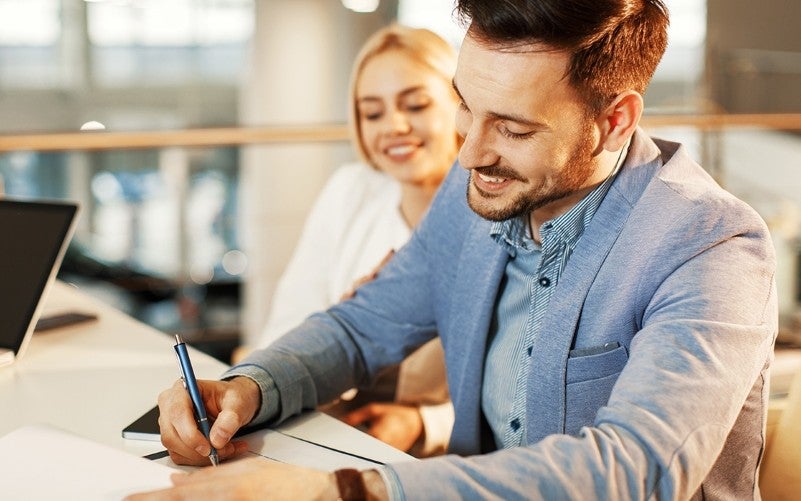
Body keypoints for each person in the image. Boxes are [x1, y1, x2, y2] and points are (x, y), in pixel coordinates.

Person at [130, 1, 778, 499]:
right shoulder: (480, 189)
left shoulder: (711, 246)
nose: (468, 154)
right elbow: (364, 325)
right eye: (465, 108)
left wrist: (343, 492)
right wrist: (251, 386)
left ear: (614, 121)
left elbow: (638, 468)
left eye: (513, 129)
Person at [232, 24, 460, 456]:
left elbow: (513, 384)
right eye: (372, 113)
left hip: (443, 457)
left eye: (415, 105)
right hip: (329, 427)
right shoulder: (350, 191)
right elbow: (289, 324)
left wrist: (424, 423)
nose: (394, 126)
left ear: (460, 103)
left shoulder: (494, 210)